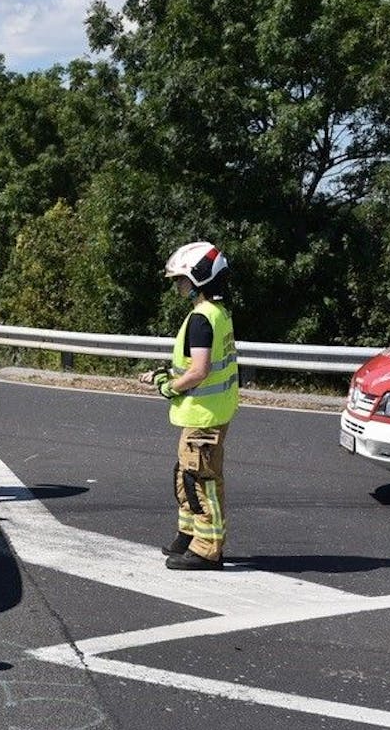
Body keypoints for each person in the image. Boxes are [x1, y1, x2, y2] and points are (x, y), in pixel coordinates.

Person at [139, 241, 238, 571]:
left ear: (199, 278)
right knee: (186, 474)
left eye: (182, 278)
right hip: (209, 413)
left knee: (200, 480)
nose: (178, 285)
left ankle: (207, 548)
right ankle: (189, 534)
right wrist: (166, 373)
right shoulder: (217, 313)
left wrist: (168, 387)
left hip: (204, 416)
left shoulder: (200, 319)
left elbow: (199, 370)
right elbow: (195, 365)